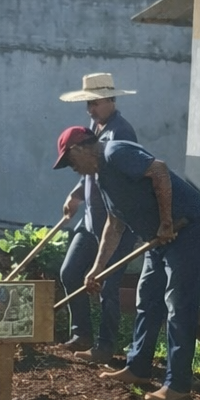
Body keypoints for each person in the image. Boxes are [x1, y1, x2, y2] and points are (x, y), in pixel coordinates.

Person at [52, 126, 200, 400]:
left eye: (70, 161)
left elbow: (159, 170)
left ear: (80, 149)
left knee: (177, 305)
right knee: (147, 299)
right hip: (159, 237)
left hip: (184, 229)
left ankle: (177, 385)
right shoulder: (102, 177)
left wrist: (165, 222)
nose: (72, 168)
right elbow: (114, 226)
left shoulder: (116, 152)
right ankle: (138, 368)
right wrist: (97, 269)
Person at [55, 73, 140, 362]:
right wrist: (76, 194)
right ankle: (82, 334)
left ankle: (105, 347)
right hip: (91, 220)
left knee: (109, 285)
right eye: (88, 104)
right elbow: (87, 168)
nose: (90, 109)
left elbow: (123, 181)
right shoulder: (95, 126)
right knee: (69, 272)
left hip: (115, 224)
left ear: (110, 100)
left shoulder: (121, 134)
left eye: (94, 103)